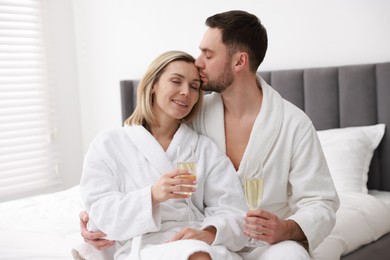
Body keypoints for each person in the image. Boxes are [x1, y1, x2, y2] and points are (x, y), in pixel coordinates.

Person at [79, 10, 340, 259]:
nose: (198, 62)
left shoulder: (293, 124)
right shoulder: (193, 113)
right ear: (152, 85)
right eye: (178, 81)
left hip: (261, 241)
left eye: (208, 54)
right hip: (200, 241)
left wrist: (285, 228)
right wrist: (92, 220)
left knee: (291, 254)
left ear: (239, 61)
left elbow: (321, 202)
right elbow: (131, 161)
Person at [76, 50, 249, 260]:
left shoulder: (203, 148)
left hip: (197, 241)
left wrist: (209, 233)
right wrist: (152, 195)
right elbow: (100, 216)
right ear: (153, 85)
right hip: (143, 248)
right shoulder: (108, 144)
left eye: (194, 87)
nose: (186, 92)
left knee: (199, 252)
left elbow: (233, 209)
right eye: (176, 81)